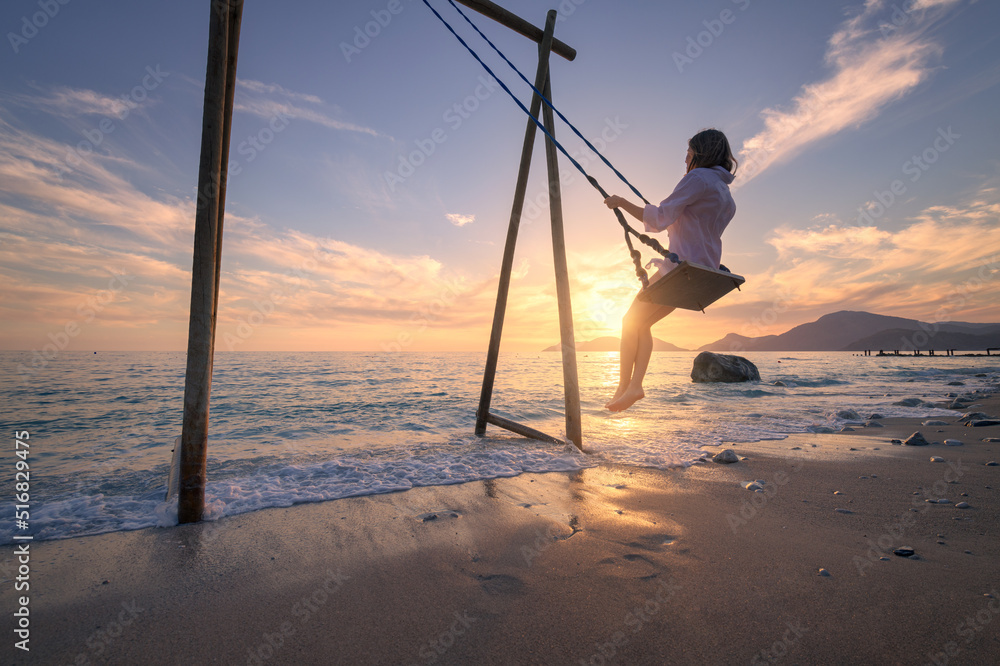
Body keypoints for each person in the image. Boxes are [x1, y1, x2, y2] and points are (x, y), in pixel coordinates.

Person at [603, 128, 737, 412]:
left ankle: (627, 384)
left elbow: (661, 217)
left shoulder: (697, 178)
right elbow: (690, 222)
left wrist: (621, 203)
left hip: (680, 269)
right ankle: (632, 385)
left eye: (689, 152)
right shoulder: (724, 191)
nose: (685, 158)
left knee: (629, 321)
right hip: (702, 273)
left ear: (701, 153)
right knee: (642, 323)